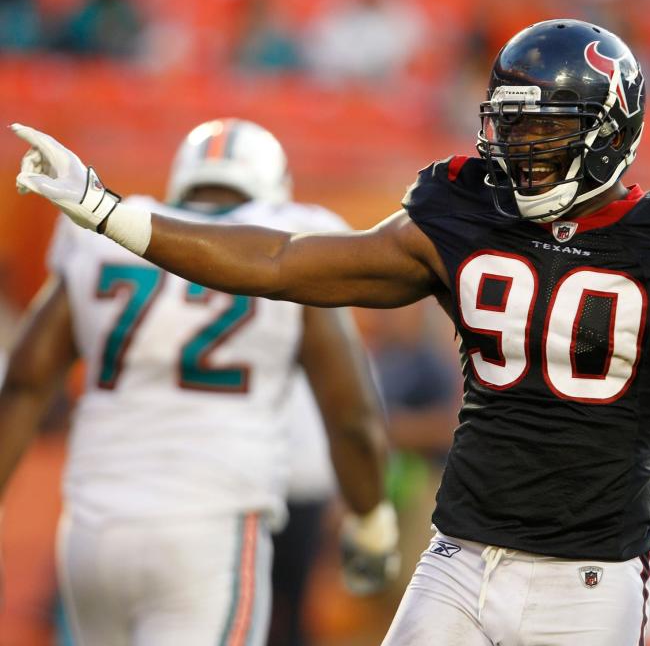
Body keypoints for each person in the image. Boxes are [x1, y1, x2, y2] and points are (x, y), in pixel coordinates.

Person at [11, 19, 650, 645]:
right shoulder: (464, 210)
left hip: (586, 584)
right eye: (510, 128)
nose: (519, 152)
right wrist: (112, 212)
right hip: (456, 557)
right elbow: (286, 260)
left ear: (609, 132)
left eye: (545, 130)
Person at [0, 118, 398, 645]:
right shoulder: (293, 233)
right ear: (274, 185)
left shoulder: (107, 232)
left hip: (93, 527)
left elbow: (26, 382)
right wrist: (371, 520)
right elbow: (350, 413)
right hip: (209, 526)